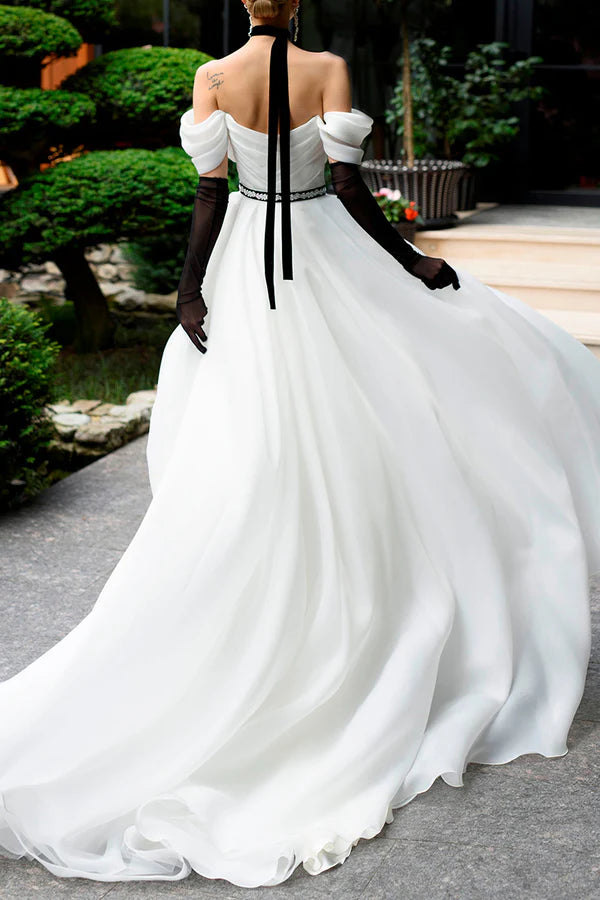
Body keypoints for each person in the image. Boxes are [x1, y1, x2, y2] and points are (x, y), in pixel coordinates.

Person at [1, 0, 600, 888]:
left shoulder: (211, 76)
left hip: (246, 257)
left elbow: (212, 192)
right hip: (325, 250)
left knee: (264, 425)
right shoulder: (327, 69)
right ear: (294, 5)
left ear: (247, 6)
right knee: (382, 404)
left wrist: (190, 292)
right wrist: (412, 265)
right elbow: (352, 190)